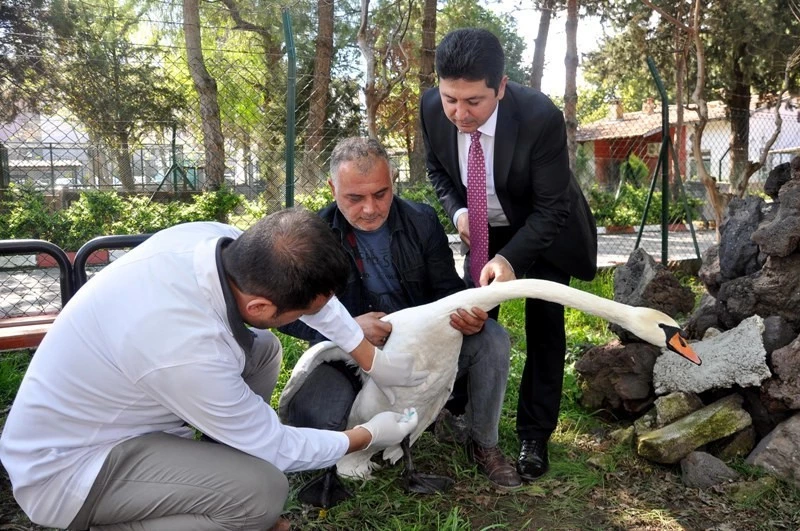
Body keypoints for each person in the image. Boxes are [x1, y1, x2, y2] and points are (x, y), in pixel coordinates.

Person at [0, 208, 423, 531]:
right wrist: (366, 435)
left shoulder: (218, 241)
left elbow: (317, 300)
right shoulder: (183, 345)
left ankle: (216, 471)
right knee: (264, 492)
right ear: (260, 307)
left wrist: (370, 357)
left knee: (261, 348)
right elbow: (276, 447)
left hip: (116, 417)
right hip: (72, 470)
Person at [280, 137, 519, 488]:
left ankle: (484, 444)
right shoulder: (312, 237)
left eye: (381, 193)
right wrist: (348, 329)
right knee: (317, 422)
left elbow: (445, 292)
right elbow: (285, 314)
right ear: (332, 188)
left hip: (417, 349)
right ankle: (381, 430)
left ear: (394, 179)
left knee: (492, 338)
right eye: (354, 198)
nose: (370, 209)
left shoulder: (422, 221)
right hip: (350, 356)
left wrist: (464, 313)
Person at [420, 28, 598, 482]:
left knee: (545, 329)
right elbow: (438, 170)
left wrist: (512, 260)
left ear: (500, 86)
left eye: (474, 102)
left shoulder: (539, 115)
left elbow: (553, 205)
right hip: (480, 227)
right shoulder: (430, 107)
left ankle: (534, 436)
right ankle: (460, 416)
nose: (460, 113)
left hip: (545, 231)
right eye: (451, 99)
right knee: (470, 321)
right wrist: (458, 210)